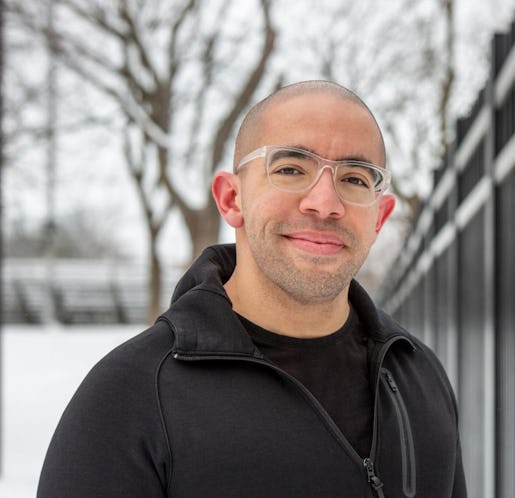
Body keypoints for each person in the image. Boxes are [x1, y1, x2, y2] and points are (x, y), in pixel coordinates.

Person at [38, 80, 466, 497]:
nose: (324, 202)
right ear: (231, 199)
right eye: (291, 169)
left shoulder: (418, 375)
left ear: (379, 217)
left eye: (355, 178)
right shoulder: (131, 397)